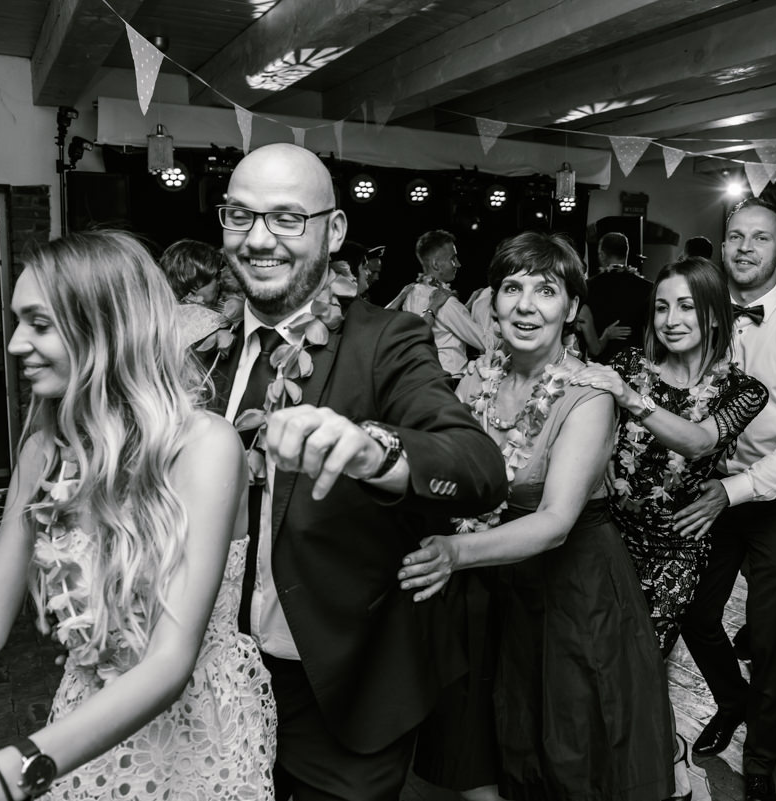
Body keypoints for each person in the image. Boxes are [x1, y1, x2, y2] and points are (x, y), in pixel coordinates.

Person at [0, 230, 276, 801]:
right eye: (17, 322)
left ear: (108, 326)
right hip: (81, 726)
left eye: (40, 324)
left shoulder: (205, 447)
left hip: (196, 735)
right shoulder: (42, 452)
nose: (15, 344)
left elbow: (169, 662)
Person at [212, 143, 507, 801]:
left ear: (335, 229)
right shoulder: (205, 350)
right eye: (241, 215)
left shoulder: (385, 340)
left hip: (341, 686)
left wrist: (379, 452)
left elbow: (478, 466)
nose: (258, 238)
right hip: (214, 682)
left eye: (287, 218)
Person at [401, 232, 674, 801]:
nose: (526, 306)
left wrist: (453, 552)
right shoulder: (476, 379)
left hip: (571, 592)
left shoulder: (588, 394)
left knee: (566, 756)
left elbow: (554, 522)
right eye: (512, 288)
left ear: (571, 309)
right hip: (487, 586)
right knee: (478, 751)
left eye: (546, 291)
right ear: (492, 302)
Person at [670, 198, 776, 801]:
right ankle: (731, 700)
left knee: (770, 636)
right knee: (694, 613)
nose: (745, 247)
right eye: (736, 236)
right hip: (707, 488)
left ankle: (762, 756)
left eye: (760, 238)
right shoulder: (696, 311)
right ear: (723, 246)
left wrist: (733, 491)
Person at [569, 258, 768, 656]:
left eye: (686, 306)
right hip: (608, 535)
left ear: (715, 316)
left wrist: (631, 399)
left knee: (643, 658)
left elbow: (699, 442)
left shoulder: (743, 391)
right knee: (592, 652)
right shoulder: (629, 365)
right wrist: (602, 451)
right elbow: (588, 423)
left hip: (675, 550)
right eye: (662, 307)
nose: (671, 320)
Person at [386, 230, 485, 382]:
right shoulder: (445, 301)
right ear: (436, 264)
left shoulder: (411, 294)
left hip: (422, 379)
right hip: (449, 381)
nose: (458, 264)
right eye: (453, 258)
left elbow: (443, 326)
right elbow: (483, 342)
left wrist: (467, 305)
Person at [586, 232, 651, 363]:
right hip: (634, 363)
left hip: (600, 364)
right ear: (626, 253)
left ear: (602, 255)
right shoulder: (647, 287)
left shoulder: (589, 286)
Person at [160, 238, 227, 307]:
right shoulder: (203, 313)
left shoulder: (163, 309)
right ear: (192, 281)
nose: (220, 281)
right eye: (217, 276)